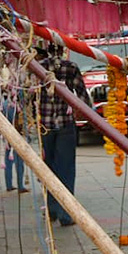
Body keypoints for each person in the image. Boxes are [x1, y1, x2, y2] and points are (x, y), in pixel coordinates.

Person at [38, 46, 88, 226]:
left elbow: (28, 97)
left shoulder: (37, 68)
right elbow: (82, 98)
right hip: (66, 125)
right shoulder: (71, 67)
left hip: (45, 126)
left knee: (48, 168)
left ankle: (51, 210)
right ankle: (66, 214)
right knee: (66, 169)